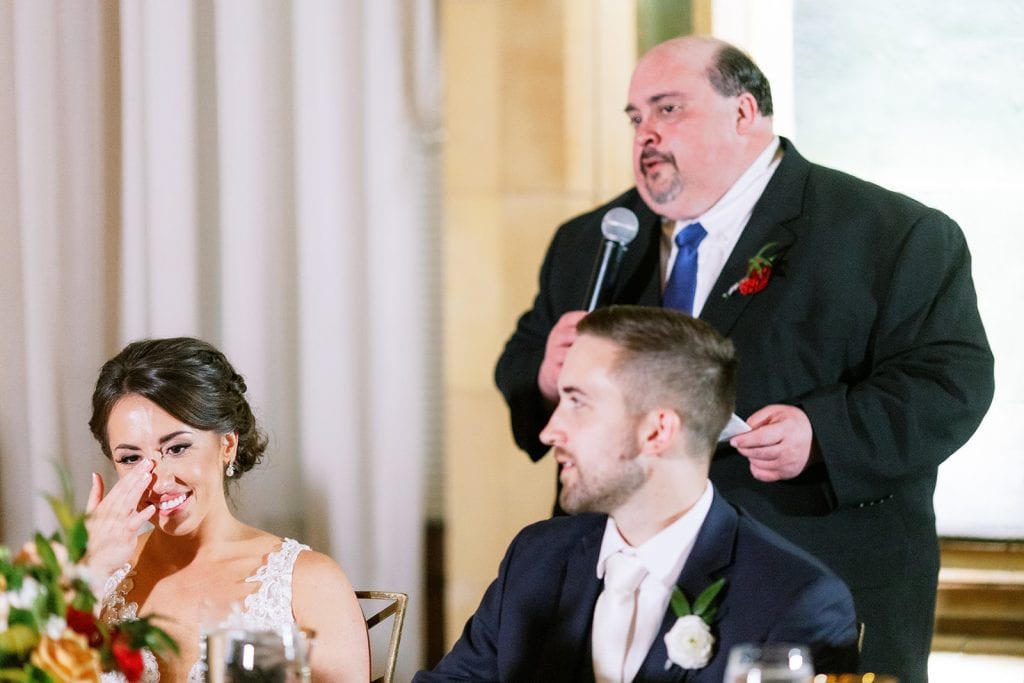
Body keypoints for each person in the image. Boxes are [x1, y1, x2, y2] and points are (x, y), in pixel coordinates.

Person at [494, 36, 994, 683]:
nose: (645, 133)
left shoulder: (890, 234)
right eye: (635, 117)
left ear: (744, 113)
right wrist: (544, 371)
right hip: (621, 588)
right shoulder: (596, 240)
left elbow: (949, 382)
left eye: (668, 109)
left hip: (805, 577)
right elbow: (520, 365)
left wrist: (823, 435)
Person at [421, 306, 859, 682]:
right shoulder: (536, 559)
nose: (550, 431)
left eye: (577, 401)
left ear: (656, 430)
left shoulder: (795, 601)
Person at [83, 337, 369, 682]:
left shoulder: (306, 583)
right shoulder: (94, 578)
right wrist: (91, 572)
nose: (157, 481)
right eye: (131, 458)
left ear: (227, 445)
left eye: (177, 448)